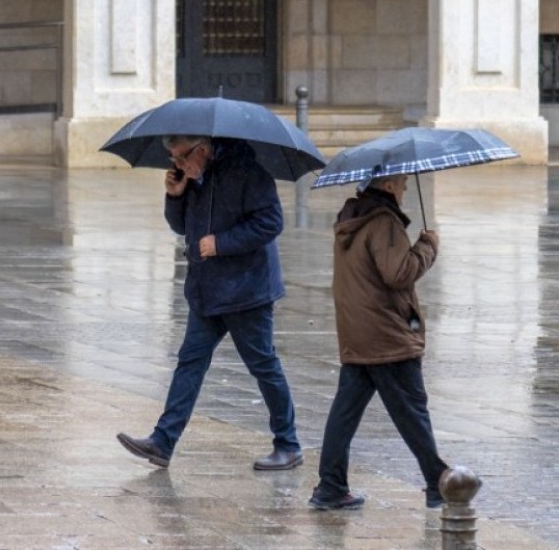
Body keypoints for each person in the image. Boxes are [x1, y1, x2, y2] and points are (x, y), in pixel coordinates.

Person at [116, 135, 302, 470]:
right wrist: (175, 196)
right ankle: (163, 442)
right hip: (207, 288)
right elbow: (180, 226)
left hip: (247, 289)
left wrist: (222, 243)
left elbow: (271, 222)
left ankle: (288, 444)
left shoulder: (248, 172)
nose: (178, 165)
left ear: (201, 149)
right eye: (173, 160)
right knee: (190, 361)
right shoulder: (193, 177)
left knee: (262, 364)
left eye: (181, 158)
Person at [309, 173, 449, 511]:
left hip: (359, 331)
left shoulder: (353, 219)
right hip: (387, 334)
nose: (403, 189)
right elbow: (397, 273)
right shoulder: (383, 221)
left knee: (345, 412)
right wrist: (427, 245)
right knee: (411, 410)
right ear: (387, 186)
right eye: (401, 184)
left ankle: (330, 486)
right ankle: (437, 480)